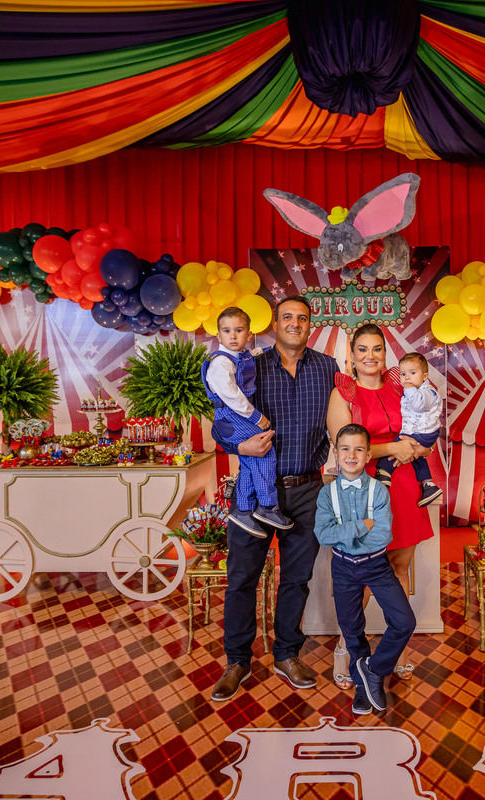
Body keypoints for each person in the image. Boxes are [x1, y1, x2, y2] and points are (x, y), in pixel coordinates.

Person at [210, 296, 339, 702]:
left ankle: (286, 654)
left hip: (307, 490)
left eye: (302, 318)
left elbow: (343, 421)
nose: (295, 323)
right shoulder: (248, 364)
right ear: (274, 323)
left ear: (310, 325)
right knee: (241, 579)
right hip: (253, 491)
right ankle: (237, 661)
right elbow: (220, 423)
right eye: (287, 317)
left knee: (296, 579)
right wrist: (239, 447)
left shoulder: (328, 368)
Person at [327, 323, 434, 689]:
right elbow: (345, 449)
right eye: (362, 349)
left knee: (400, 567)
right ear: (352, 355)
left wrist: (421, 446)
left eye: (377, 349)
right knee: (360, 574)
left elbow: (422, 425)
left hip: (403, 485)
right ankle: (346, 650)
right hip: (363, 489)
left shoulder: (402, 387)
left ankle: (397, 651)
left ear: (385, 354)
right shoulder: (343, 394)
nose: (370, 356)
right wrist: (394, 448)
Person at [315, 423, 415, 716]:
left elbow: (382, 535)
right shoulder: (327, 494)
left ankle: (373, 669)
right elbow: (323, 535)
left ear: (368, 455)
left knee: (404, 622)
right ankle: (363, 688)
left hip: (377, 566)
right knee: (352, 630)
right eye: (345, 449)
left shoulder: (379, 491)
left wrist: (345, 532)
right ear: (336, 453)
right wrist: (361, 526)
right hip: (343, 568)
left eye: (359, 449)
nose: (351, 455)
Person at [201, 306, 292, 537]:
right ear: (218, 335)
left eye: (239, 330)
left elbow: (251, 357)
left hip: (235, 415)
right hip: (232, 415)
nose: (233, 336)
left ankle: (243, 510)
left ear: (249, 334)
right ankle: (267, 506)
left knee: (250, 463)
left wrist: (263, 352)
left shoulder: (240, 356)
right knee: (264, 454)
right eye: (227, 331)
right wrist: (256, 417)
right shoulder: (220, 363)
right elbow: (232, 395)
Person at [374, 352, 442, 507]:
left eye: (412, 373)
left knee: (398, 444)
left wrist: (409, 388)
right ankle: (428, 484)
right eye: (403, 374)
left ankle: (384, 472)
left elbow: (418, 405)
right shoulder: (414, 391)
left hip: (422, 432)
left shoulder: (427, 392)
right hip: (420, 432)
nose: (407, 378)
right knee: (417, 458)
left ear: (425, 376)